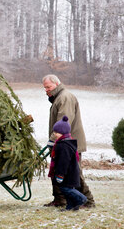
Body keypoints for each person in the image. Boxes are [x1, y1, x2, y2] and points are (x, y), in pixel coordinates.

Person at [42, 74, 95, 208]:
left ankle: (88, 201)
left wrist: (52, 140)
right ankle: (60, 200)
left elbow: (63, 123)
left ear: (57, 84)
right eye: (45, 88)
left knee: (74, 173)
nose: (46, 90)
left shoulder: (65, 97)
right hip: (62, 143)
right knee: (57, 170)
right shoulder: (58, 97)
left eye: (48, 87)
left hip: (70, 144)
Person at [49, 115, 87, 211]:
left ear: (62, 133)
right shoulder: (66, 143)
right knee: (67, 189)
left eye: (56, 132)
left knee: (66, 189)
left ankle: (81, 199)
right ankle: (71, 206)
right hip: (70, 172)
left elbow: (63, 162)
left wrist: (60, 174)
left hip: (67, 173)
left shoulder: (63, 146)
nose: (54, 134)